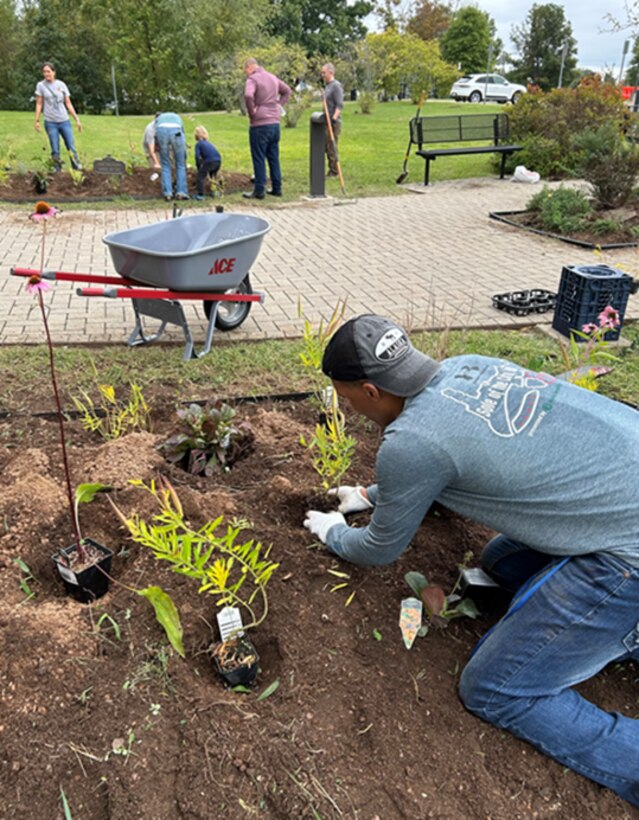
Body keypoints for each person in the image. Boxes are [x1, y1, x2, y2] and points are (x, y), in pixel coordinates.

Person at [303, 313, 639, 809]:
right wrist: (369, 494)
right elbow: (447, 452)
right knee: (502, 563)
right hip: (623, 504)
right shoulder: (468, 367)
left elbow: (378, 548)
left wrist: (333, 531)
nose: (351, 410)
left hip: (630, 557)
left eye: (348, 399)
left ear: (370, 391)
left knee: (497, 688)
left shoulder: (409, 442)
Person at [242, 58, 291, 200]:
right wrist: (277, 105)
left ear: (249, 67)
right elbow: (287, 91)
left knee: (258, 157)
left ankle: (259, 190)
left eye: (245, 70)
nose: (245, 73)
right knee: (273, 156)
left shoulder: (252, 79)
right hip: (274, 124)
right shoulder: (272, 77)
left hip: (260, 124)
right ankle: (277, 188)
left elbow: (248, 95)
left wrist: (252, 112)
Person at [34, 62, 83, 171]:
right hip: (51, 122)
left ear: (54, 72)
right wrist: (36, 120)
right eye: (44, 72)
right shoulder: (41, 86)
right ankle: (57, 170)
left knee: (71, 145)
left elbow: (68, 103)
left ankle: (76, 167)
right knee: (55, 148)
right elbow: (39, 103)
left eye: (48, 71)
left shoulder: (61, 85)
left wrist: (77, 119)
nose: (46, 74)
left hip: (64, 121)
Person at [154, 112, 189, 202]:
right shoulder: (177, 117)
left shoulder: (159, 119)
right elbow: (182, 132)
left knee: (165, 164)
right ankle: (181, 192)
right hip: (177, 132)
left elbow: (155, 135)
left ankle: (168, 193)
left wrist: (157, 146)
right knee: (180, 164)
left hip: (161, 132)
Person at [320, 63, 344, 177]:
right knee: (326, 146)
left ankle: (334, 171)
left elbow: (340, 105)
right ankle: (331, 168)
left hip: (333, 122)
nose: (322, 75)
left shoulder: (336, 86)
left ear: (331, 72)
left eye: (324, 73)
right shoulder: (327, 86)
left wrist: (334, 118)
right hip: (326, 121)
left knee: (331, 146)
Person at [193, 126, 222, 200]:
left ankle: (200, 195)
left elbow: (197, 157)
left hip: (210, 161)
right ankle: (216, 192)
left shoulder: (198, 144)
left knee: (200, 176)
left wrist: (199, 167)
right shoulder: (208, 143)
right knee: (213, 176)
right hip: (218, 160)